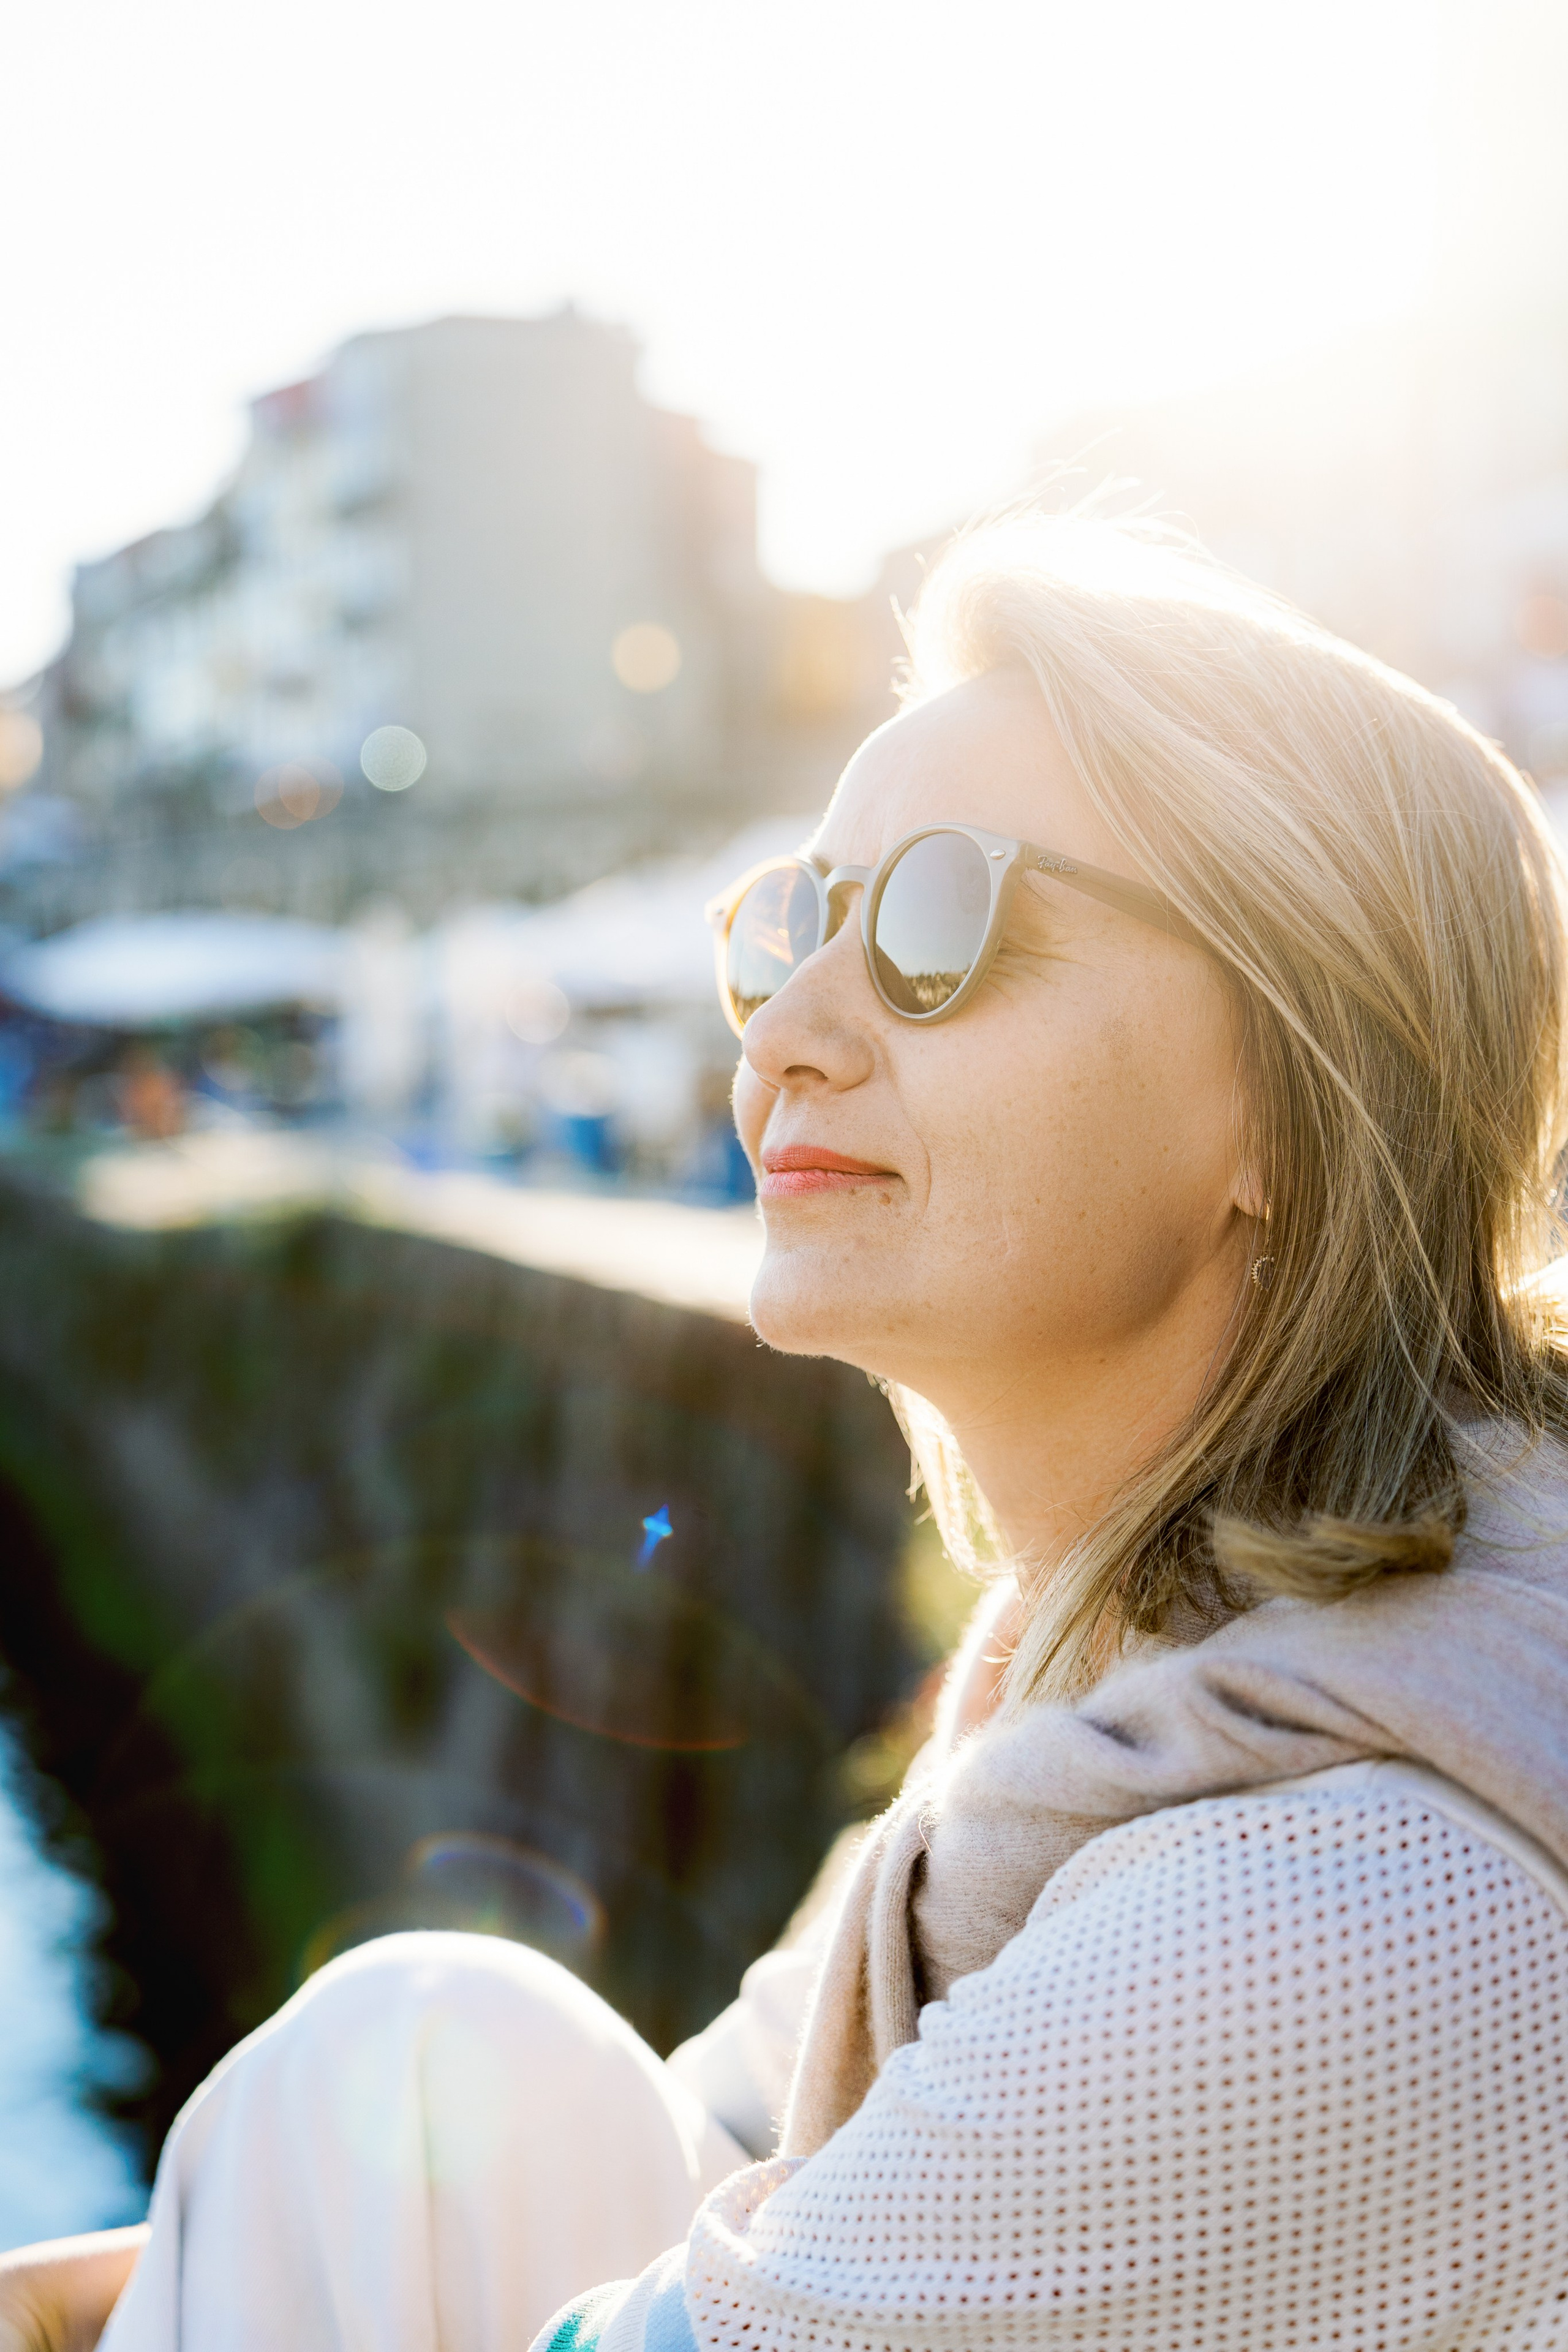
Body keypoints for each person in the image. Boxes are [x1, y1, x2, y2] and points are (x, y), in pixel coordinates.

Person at [8, 509, 1568, 2351]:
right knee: (434, 2059)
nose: (785, 1034)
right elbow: (723, 2141)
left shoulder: (1330, 1925)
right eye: (791, 921)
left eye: (939, 921)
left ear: (1295, 1109)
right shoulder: (1089, 1704)